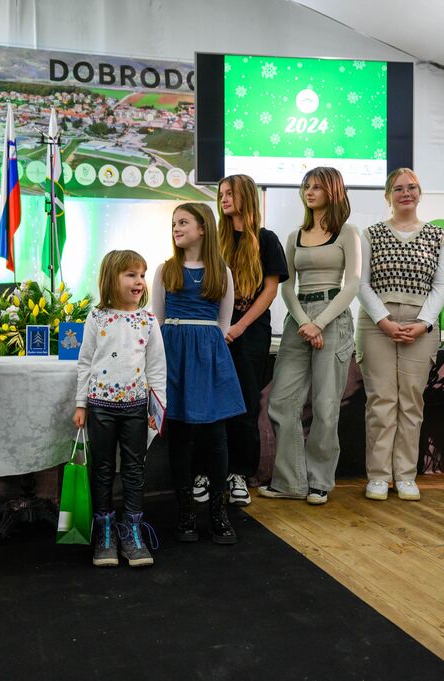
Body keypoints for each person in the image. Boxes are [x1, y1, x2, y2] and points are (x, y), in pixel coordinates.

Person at [260, 167, 361, 506]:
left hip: (334, 317)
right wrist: (306, 322)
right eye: (306, 186)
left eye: (317, 186)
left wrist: (321, 323)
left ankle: (319, 481)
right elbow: (287, 287)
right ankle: (290, 481)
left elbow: (352, 285)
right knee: (281, 401)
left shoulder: (348, 232)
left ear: (333, 191)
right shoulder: (295, 236)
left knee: (326, 405)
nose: (310, 191)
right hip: (298, 319)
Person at [151, 203, 245, 544]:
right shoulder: (165, 270)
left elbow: (223, 323)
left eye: (183, 222)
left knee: (216, 435)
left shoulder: (222, 272)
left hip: (209, 356)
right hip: (174, 353)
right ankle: (186, 512)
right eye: (174, 223)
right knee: (178, 434)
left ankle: (218, 513)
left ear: (203, 228)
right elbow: (156, 320)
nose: (176, 228)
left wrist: (208, 354)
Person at [357, 168, 444, 502]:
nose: (406, 193)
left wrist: (424, 322)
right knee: (381, 401)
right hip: (376, 324)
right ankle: (379, 476)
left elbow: (440, 285)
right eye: (398, 188)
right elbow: (360, 283)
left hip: (420, 325)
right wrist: (383, 320)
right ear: (388, 196)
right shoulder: (370, 234)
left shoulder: (438, 236)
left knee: (411, 401)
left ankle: (406, 475)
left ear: (420, 193)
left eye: (412, 187)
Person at [73, 250, 166, 568]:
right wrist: (81, 404)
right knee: (101, 469)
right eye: (130, 274)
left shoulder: (148, 321)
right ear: (111, 278)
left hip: (136, 409)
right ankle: (105, 532)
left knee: (134, 469)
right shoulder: (97, 317)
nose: (139, 281)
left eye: (142, 275)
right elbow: (85, 362)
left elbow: (157, 368)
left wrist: (158, 408)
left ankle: (131, 531)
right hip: (100, 408)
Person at [213, 174, 288, 506]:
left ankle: (239, 474)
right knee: (213, 405)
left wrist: (240, 326)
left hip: (251, 334)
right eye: (221, 194)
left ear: (246, 196)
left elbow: (270, 291)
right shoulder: (215, 240)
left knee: (245, 405)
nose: (224, 199)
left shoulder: (266, 239)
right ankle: (210, 472)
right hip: (216, 335)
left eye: (230, 193)